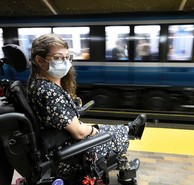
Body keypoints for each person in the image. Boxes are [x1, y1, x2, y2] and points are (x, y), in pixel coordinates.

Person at [27, 33, 146, 176]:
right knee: (111, 134)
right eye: (58, 58)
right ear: (39, 60)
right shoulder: (49, 92)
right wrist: (93, 131)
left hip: (58, 144)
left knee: (104, 129)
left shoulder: (36, 84)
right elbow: (79, 132)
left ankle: (129, 129)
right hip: (67, 156)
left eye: (67, 57)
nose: (65, 63)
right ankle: (127, 134)